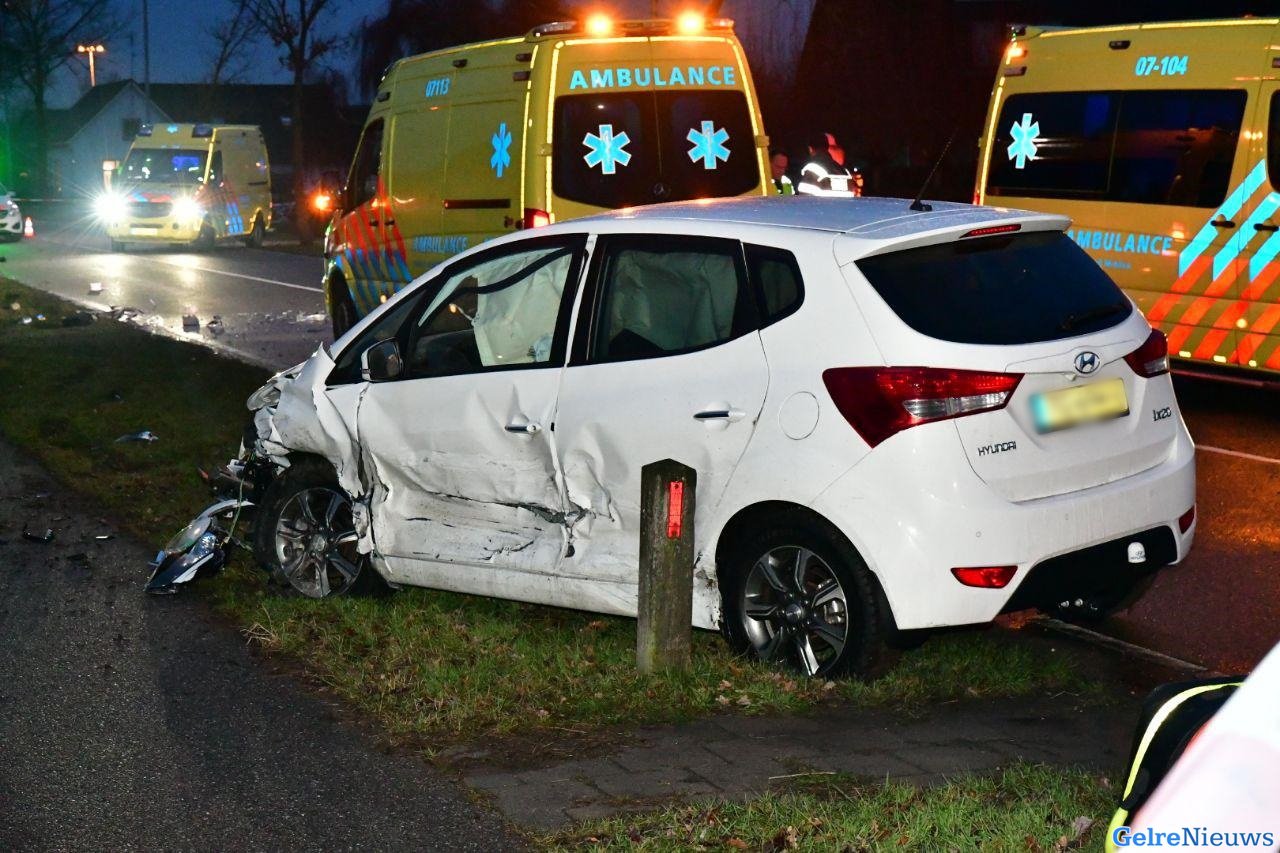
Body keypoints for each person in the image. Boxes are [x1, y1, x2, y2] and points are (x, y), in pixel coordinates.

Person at [796, 131, 855, 197]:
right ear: (827, 148)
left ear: (810, 149)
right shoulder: (844, 171)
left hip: (822, 204)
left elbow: (805, 199)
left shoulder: (813, 170)